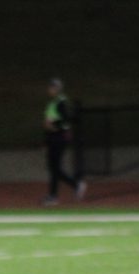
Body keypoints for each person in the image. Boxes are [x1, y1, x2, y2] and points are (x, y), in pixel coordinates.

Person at [43, 77, 86, 205]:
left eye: (52, 87)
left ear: (57, 89)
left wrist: (54, 126)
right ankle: (56, 194)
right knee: (53, 168)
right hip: (53, 138)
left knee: (54, 168)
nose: (49, 89)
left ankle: (70, 188)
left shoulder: (60, 102)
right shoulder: (55, 102)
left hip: (58, 138)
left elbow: (65, 121)